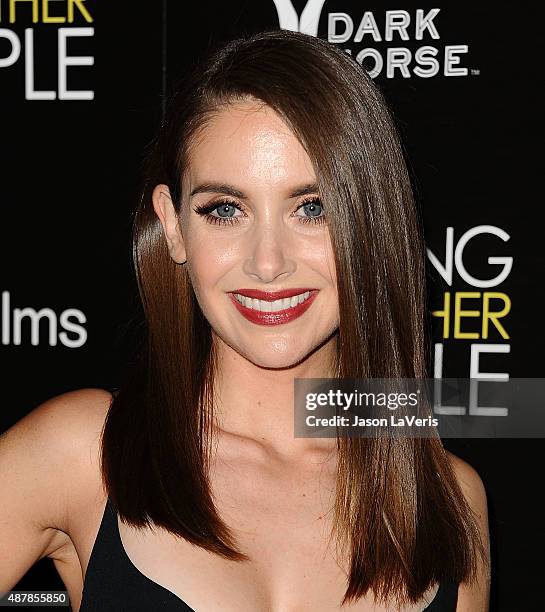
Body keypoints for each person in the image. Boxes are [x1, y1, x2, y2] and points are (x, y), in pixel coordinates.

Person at [0, 29, 490, 611]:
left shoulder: (449, 499)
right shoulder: (84, 452)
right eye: (225, 210)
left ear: (370, 225)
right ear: (175, 226)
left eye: (313, 208)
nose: (267, 262)